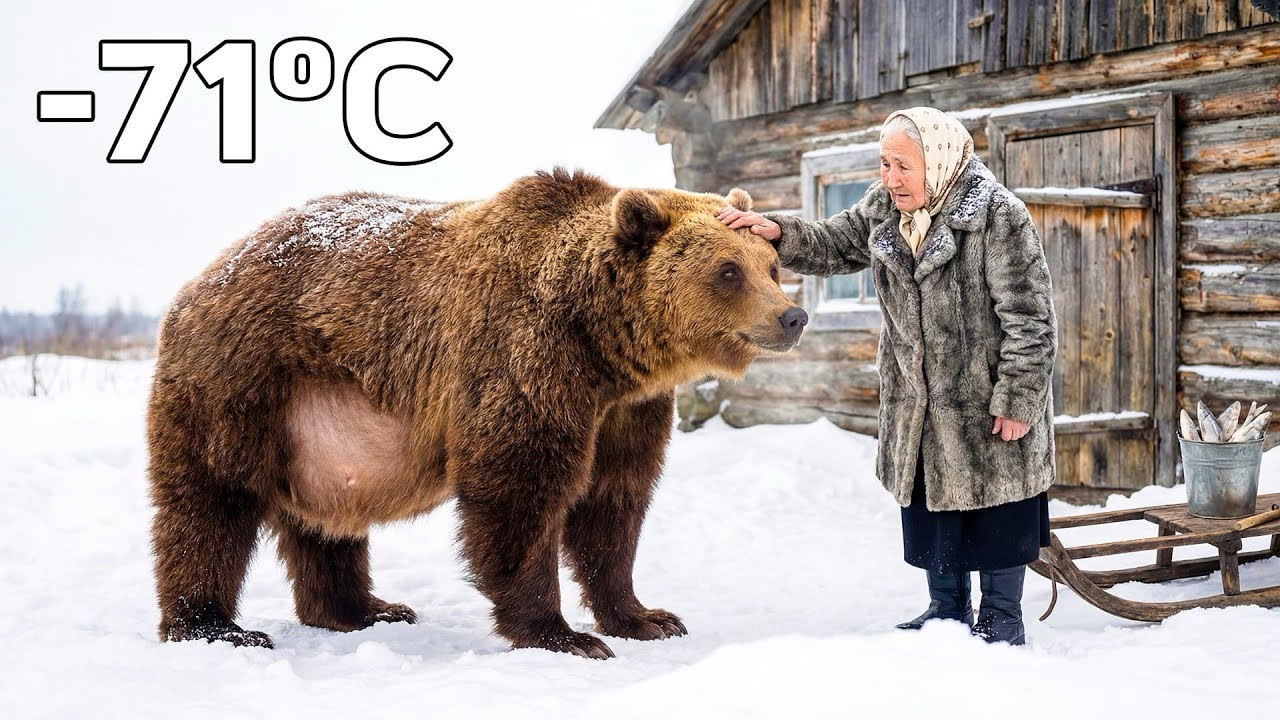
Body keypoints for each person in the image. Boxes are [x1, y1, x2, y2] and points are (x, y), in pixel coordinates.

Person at [717, 107, 1057, 646]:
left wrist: (1018, 399)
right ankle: (945, 611)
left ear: (940, 160)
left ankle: (1001, 618)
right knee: (932, 505)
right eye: (884, 164)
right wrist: (777, 232)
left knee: (997, 511)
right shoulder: (885, 208)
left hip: (984, 399)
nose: (889, 178)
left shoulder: (997, 215)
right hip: (916, 399)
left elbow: (1031, 320)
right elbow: (835, 242)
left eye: (902, 165)